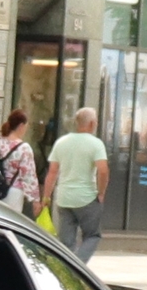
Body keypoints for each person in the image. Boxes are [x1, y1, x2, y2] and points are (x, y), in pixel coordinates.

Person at [39, 105, 110, 259]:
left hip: (64, 198)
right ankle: (79, 270)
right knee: (92, 236)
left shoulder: (61, 142)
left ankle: (68, 270)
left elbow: (52, 172)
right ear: (91, 123)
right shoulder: (96, 144)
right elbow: (103, 170)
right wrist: (101, 192)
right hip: (87, 198)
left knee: (66, 243)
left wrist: (46, 197)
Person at [0, 110, 39, 216]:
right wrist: (35, 199)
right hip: (11, 193)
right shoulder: (24, 148)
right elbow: (28, 176)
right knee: (8, 224)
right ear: (21, 126)